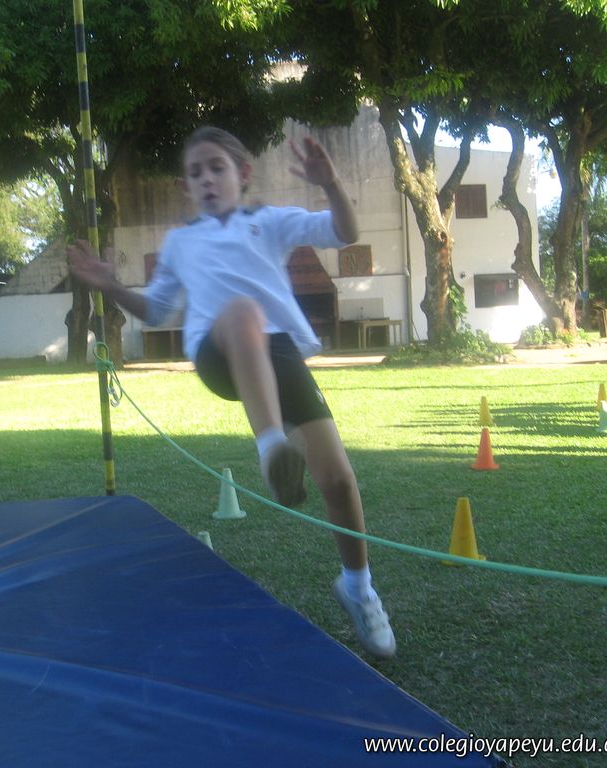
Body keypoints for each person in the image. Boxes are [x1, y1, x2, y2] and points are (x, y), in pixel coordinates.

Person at [67, 126, 396, 659]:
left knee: (338, 479)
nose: (206, 179)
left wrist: (331, 184)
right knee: (243, 310)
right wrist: (112, 286)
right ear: (185, 187)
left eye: (216, 167)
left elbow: (345, 232)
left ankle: (358, 587)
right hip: (216, 350)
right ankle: (271, 449)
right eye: (195, 173)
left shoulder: (271, 222)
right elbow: (157, 309)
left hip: (279, 354)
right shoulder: (181, 243)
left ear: (242, 174)